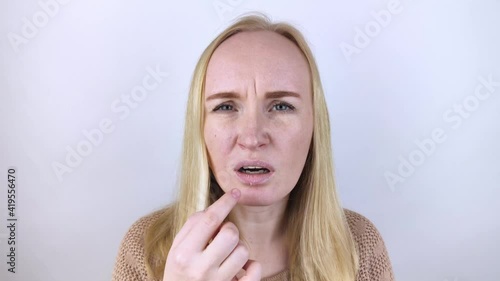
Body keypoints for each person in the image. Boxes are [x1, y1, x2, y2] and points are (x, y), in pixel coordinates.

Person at [112, 14, 394, 281]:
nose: (252, 136)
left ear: (314, 127)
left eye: (282, 106)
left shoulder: (359, 247)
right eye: (225, 106)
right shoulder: (146, 250)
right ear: (200, 128)